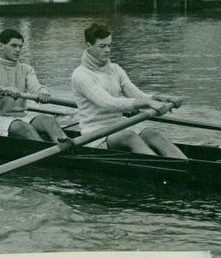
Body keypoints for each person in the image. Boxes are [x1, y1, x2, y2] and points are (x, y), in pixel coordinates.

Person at [71, 23, 186, 158]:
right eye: (102, 46)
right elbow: (110, 103)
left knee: (152, 132)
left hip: (119, 127)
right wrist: (147, 104)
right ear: (89, 46)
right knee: (129, 136)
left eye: (109, 45)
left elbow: (138, 95)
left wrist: (161, 98)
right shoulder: (81, 76)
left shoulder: (115, 69)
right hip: (95, 135)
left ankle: (186, 165)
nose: (107, 50)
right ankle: (166, 171)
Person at [0, 29, 69, 142]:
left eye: (20, 46)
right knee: (24, 128)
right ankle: (48, 154)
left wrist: (43, 92)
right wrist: (1, 90)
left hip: (21, 116)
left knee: (49, 121)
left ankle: (68, 149)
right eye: (13, 46)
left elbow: (35, 87)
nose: (18, 50)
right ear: (1, 46)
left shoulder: (26, 69)